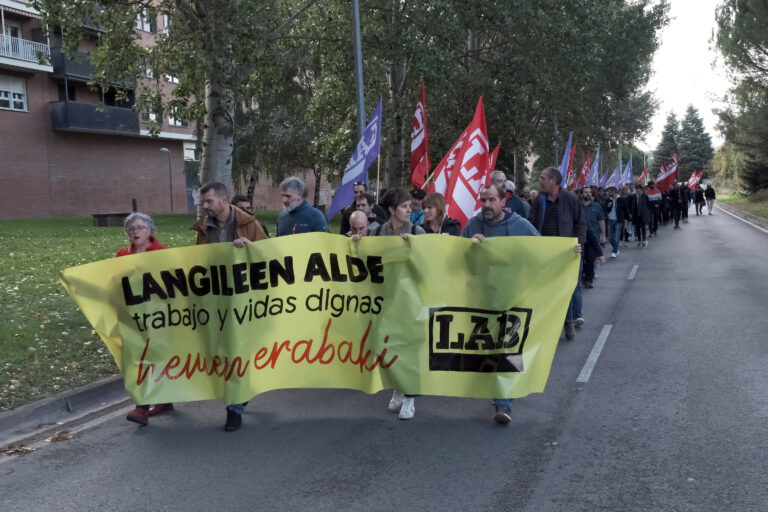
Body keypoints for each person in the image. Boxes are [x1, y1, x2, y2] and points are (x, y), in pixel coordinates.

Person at [191, 182, 269, 431]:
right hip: (218, 300)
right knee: (226, 351)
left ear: (224, 201)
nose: (205, 206)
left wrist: (250, 249)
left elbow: (269, 257)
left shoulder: (249, 224)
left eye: (209, 201)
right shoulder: (204, 229)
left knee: (240, 350)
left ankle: (234, 408)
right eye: (204, 202)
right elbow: (199, 261)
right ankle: (239, 396)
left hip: (246, 299)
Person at [369, 188, 425, 419]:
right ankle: (398, 388)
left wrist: (415, 248)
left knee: (408, 346)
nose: (408, 210)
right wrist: (354, 243)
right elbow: (365, 259)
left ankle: (409, 397)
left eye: (409, 206)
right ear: (391, 209)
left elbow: (428, 263)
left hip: (410, 300)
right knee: (388, 346)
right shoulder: (376, 233)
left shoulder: (416, 230)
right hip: (385, 299)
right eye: (403, 207)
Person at [120, 212, 174, 426]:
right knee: (138, 359)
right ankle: (153, 403)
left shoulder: (164, 254)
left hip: (160, 317)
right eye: (131, 229)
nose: (135, 232)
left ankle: (147, 405)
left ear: (150, 230)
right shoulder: (122, 255)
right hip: (133, 317)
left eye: (140, 227)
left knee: (155, 358)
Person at [528, 167, 586, 340]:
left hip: (566, 252)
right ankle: (548, 324)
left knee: (563, 288)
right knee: (546, 288)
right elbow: (531, 222)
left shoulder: (570, 198)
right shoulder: (540, 200)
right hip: (544, 252)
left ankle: (568, 321)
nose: (540, 180)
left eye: (543, 178)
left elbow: (581, 223)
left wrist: (578, 243)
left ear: (553, 180)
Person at [580, 187, 605, 289]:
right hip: (580, 238)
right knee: (581, 259)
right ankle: (582, 276)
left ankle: (588, 280)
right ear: (581, 194)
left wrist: (604, 235)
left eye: (589, 192)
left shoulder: (597, 206)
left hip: (593, 238)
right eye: (586, 192)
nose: (588, 194)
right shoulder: (577, 206)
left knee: (590, 259)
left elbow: (601, 221)